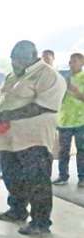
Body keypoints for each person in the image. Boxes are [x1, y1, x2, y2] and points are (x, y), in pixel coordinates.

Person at [0, 41, 66, 235]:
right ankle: (17, 210)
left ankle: (40, 222)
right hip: (8, 137)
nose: (14, 62)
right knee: (12, 176)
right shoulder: (14, 75)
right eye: (12, 58)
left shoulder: (48, 75)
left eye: (19, 59)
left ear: (33, 56)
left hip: (34, 139)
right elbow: (3, 96)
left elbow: (43, 107)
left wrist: (6, 115)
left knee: (37, 181)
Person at [52, 53, 84, 186]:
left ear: (82, 63)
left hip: (81, 121)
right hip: (64, 121)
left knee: (81, 151)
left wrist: (76, 92)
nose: (71, 64)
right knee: (63, 151)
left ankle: (82, 177)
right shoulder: (63, 77)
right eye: (70, 61)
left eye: (75, 61)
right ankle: (62, 176)